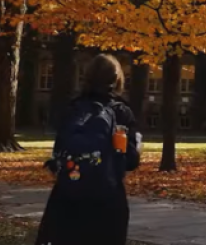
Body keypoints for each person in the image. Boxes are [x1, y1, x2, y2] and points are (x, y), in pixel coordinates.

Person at [36, 55, 142, 245]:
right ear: (117, 79)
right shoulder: (121, 112)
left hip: (67, 196)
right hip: (107, 199)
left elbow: (59, 150)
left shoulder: (73, 109)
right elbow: (131, 161)